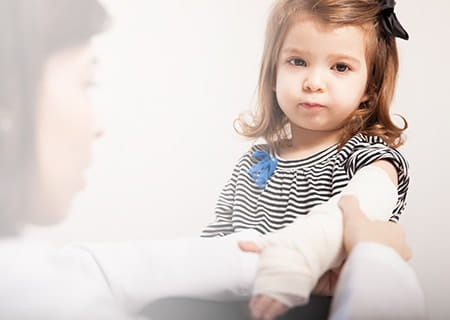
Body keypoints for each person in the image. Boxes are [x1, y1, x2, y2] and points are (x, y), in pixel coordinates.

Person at [200, 0, 419, 317]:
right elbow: (216, 239)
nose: (313, 82)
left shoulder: (368, 159)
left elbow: (368, 200)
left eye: (340, 67)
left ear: (370, 87)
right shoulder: (254, 162)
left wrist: (296, 255)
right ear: (273, 72)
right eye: (297, 61)